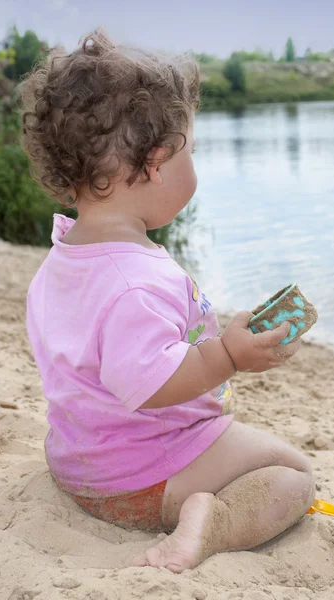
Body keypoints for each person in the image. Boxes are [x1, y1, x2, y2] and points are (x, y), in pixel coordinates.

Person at [23, 30, 315, 573]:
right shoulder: (136, 279)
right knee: (293, 473)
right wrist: (227, 356)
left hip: (80, 467)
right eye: (192, 154)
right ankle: (211, 523)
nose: (193, 169)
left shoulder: (62, 259)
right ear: (157, 163)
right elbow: (146, 382)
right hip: (146, 471)